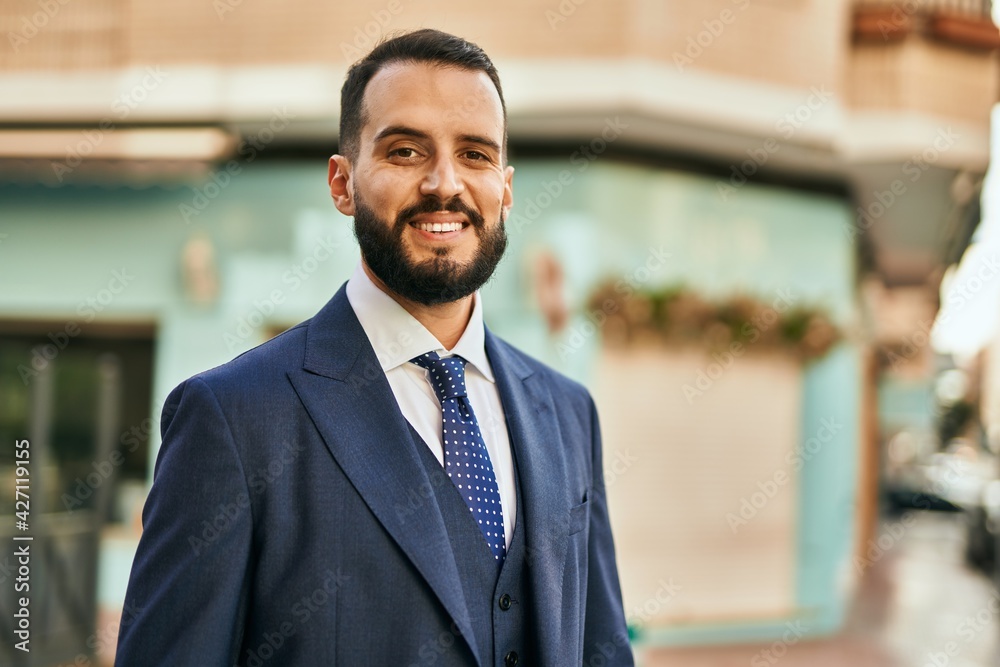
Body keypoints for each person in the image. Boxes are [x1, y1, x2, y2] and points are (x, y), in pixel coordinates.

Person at [116, 29, 634, 666]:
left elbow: (602, 648)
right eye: (406, 151)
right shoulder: (232, 419)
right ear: (342, 183)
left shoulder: (568, 412)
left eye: (474, 155)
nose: (445, 184)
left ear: (505, 188)